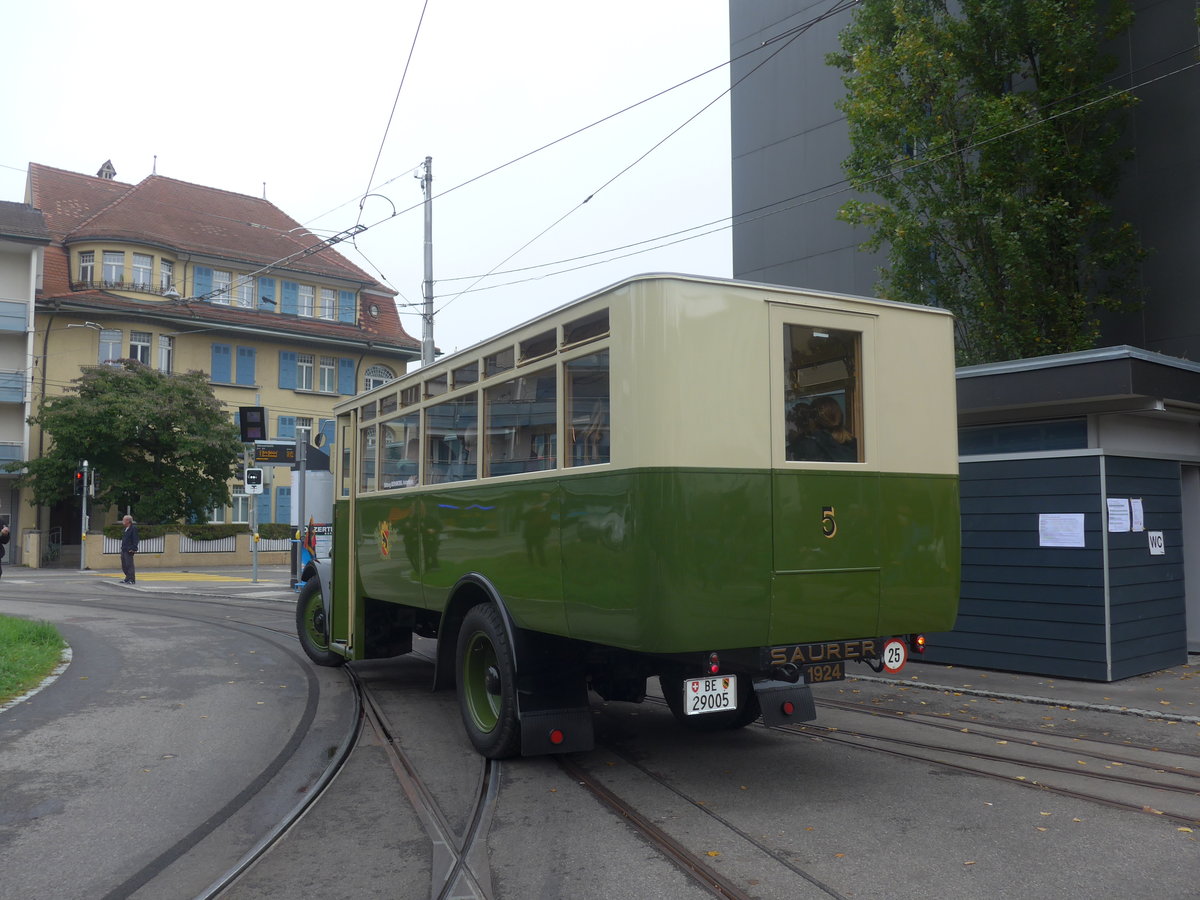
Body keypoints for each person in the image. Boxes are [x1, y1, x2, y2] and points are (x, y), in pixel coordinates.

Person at [120, 515, 139, 584]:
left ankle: (132, 579)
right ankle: (127, 577)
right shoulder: (125, 529)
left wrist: (134, 548)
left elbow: (135, 539)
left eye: (124, 520)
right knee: (124, 565)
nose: (123, 521)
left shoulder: (133, 529)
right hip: (124, 549)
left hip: (129, 550)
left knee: (129, 565)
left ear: (128, 521)